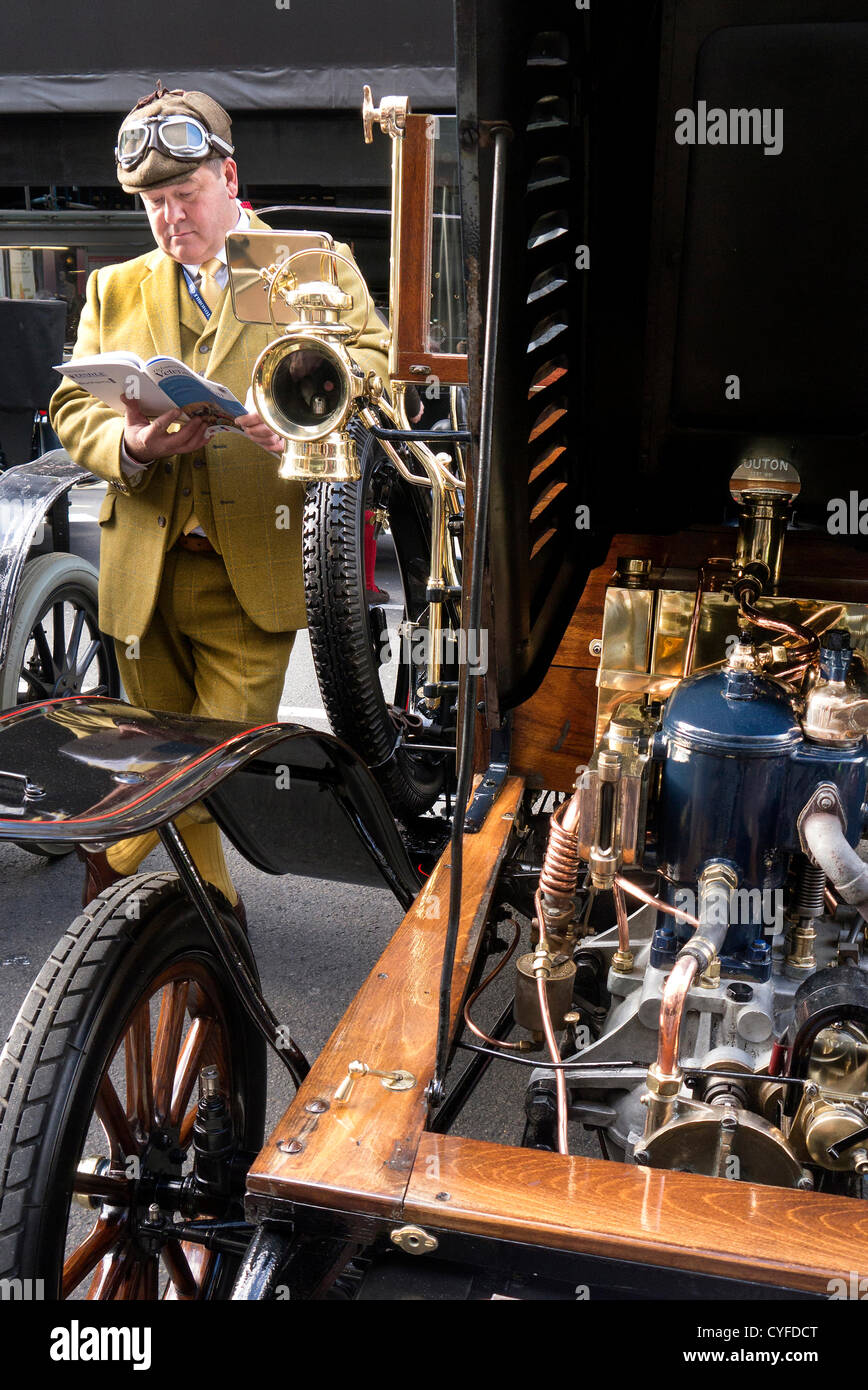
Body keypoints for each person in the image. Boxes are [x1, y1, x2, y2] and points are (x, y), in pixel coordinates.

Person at [50, 83, 390, 919]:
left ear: (229, 179)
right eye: (154, 204)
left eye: (185, 195)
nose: (170, 218)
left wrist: (310, 420)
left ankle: (108, 845)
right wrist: (132, 442)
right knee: (163, 755)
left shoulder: (312, 264)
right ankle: (203, 938)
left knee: (201, 768)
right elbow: (71, 407)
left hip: (252, 575)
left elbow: (378, 372)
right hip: (144, 570)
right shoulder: (117, 287)